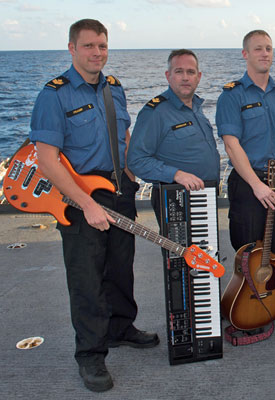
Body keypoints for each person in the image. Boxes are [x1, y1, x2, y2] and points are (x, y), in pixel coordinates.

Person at [28, 19, 158, 392]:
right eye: (89, 46)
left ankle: (121, 328)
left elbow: (124, 135)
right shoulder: (54, 95)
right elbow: (47, 159)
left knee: (121, 268)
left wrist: (132, 175)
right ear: (72, 48)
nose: (97, 53)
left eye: (102, 45)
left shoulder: (114, 89)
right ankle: (91, 356)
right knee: (87, 280)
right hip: (80, 197)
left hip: (118, 188)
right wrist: (86, 204)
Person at [215, 30, 275, 322]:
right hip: (248, 183)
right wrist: (256, 185)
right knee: (248, 251)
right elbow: (231, 143)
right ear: (245, 54)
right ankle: (246, 306)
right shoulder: (232, 95)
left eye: (268, 48)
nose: (264, 53)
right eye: (257, 49)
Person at [127, 49, 220, 223]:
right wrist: (176, 174)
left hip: (204, 196)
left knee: (207, 250)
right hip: (175, 197)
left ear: (198, 77)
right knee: (181, 251)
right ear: (168, 75)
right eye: (179, 71)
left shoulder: (197, 108)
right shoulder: (155, 112)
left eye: (190, 72)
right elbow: (136, 160)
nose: (185, 77)